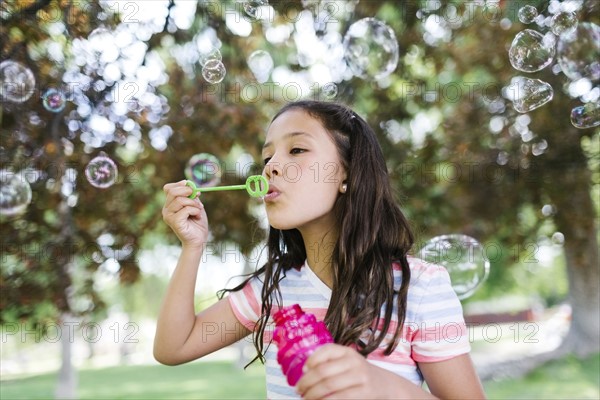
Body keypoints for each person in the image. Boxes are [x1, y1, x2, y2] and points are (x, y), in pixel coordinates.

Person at [155, 100, 486, 399]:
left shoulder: (418, 288)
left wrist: (382, 386)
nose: (271, 166)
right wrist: (193, 246)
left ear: (347, 172)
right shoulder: (272, 291)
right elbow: (174, 347)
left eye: (296, 150)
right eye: (267, 157)